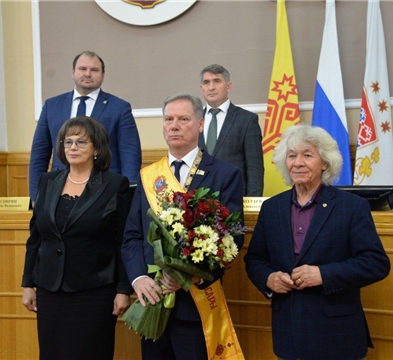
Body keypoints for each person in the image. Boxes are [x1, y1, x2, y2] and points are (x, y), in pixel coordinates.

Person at [244, 124, 390, 360]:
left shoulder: (351, 207)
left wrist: (323, 275)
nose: (297, 162)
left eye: (307, 155)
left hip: (337, 336)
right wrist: (268, 278)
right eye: (292, 156)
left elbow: (376, 263)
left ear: (325, 163)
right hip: (287, 335)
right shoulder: (271, 208)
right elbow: (255, 259)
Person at [122, 93, 244, 360]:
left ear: (200, 124)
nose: (174, 125)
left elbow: (233, 238)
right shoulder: (148, 176)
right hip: (152, 300)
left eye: (183, 119)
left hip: (196, 306)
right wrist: (139, 278)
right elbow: (132, 236)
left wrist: (190, 275)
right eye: (168, 119)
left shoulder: (225, 174)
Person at [21, 116, 132, 360]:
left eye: (81, 142)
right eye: (67, 141)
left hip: (94, 290)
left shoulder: (115, 185)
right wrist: (28, 283)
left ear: (97, 148)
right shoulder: (47, 181)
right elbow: (36, 236)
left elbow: (124, 240)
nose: (72, 147)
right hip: (50, 290)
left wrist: (124, 289)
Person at [28, 50, 141, 201]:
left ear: (103, 75)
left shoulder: (119, 108)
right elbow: (39, 155)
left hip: (105, 191)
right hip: (59, 190)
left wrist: (128, 196)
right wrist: (36, 197)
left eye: (94, 70)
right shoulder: (52, 106)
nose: (88, 74)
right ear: (73, 72)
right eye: (82, 69)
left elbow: (130, 156)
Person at [198, 64, 264, 196]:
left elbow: (254, 169)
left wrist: (251, 206)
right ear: (201, 88)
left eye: (217, 81)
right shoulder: (194, 119)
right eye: (206, 82)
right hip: (198, 201)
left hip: (234, 200)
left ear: (228, 86)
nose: (211, 87)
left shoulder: (247, 120)